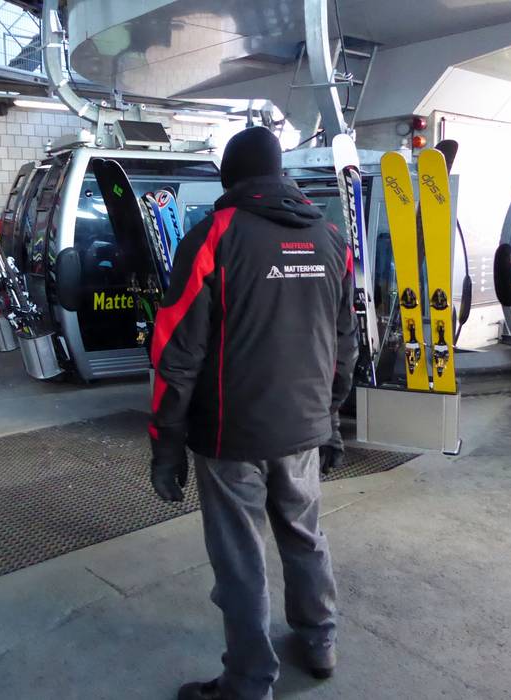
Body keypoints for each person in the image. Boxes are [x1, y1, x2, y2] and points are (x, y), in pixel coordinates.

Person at [148, 127, 358, 700]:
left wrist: (166, 444)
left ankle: (248, 681)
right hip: (304, 430)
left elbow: (175, 354)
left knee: (241, 558)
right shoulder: (330, 238)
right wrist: (330, 422)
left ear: (229, 177)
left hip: (230, 435)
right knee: (305, 536)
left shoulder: (214, 236)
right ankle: (320, 640)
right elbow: (344, 345)